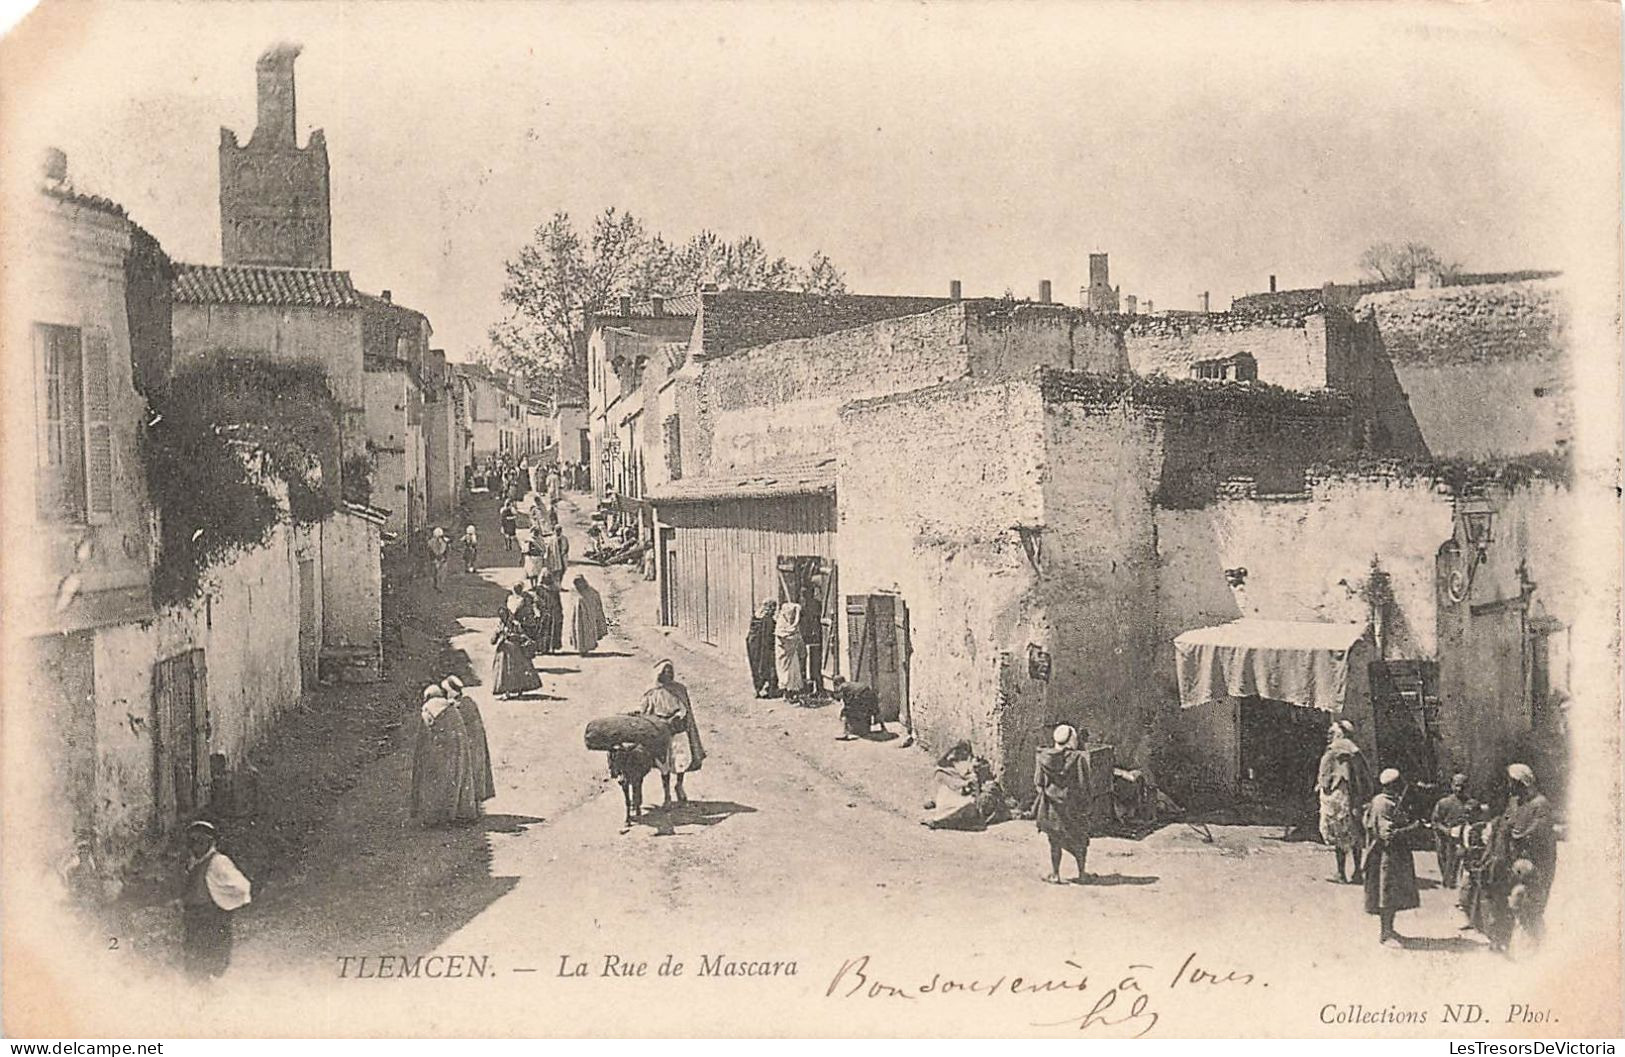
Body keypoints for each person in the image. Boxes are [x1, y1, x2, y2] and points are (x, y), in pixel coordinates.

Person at [178, 820, 252, 979]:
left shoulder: (219, 861)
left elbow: (242, 886)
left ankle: (213, 985)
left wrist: (225, 901)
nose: (195, 846)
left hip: (212, 915)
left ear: (210, 842)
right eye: (192, 841)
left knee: (214, 953)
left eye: (200, 841)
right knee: (193, 955)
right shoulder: (193, 862)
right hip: (193, 916)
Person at [1363, 767, 1424, 945]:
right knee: (1386, 892)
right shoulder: (1383, 804)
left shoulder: (1392, 801)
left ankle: (1389, 929)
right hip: (1386, 855)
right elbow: (1387, 835)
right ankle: (1385, 932)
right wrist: (1412, 828)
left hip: (1395, 854)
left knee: (1393, 892)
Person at [1501, 762, 1557, 945]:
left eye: (1512, 782)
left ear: (1521, 782)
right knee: (1514, 903)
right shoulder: (1515, 802)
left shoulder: (1540, 804)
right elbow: (1505, 823)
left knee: (1530, 904)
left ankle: (1537, 945)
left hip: (1536, 864)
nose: (1509, 786)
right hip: (1516, 861)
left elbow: (1537, 832)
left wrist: (1517, 835)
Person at [1316, 719, 1376, 884]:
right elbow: (1366, 776)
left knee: (1339, 833)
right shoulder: (1356, 751)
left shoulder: (1333, 750)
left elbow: (1324, 776)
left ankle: (1341, 873)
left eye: (1332, 732)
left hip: (1337, 798)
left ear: (1340, 733)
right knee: (1355, 833)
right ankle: (1357, 872)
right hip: (1355, 797)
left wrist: (1323, 787)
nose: (1329, 735)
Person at [640, 659, 706, 805]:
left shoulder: (679, 689)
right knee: (664, 764)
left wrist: (676, 718)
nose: (668, 674)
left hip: (677, 729)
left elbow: (684, 710)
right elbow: (645, 712)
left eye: (670, 671)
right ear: (659, 673)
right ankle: (667, 795)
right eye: (665, 671)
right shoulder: (651, 692)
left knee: (680, 761)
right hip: (661, 732)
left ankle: (679, 785)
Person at [1034, 725, 1093, 884]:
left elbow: (1038, 782)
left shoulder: (1043, 757)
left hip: (1052, 807)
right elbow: (1084, 785)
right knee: (1080, 839)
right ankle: (1081, 874)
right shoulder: (1078, 759)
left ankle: (1055, 874)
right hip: (1073, 806)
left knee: (1055, 840)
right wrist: (1085, 804)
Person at [411, 685, 475, 825]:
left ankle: (434, 816)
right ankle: (454, 813)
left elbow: (423, 737)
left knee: (433, 783)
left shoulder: (427, 711)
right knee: (453, 780)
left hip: (435, 752)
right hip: (455, 753)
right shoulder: (452, 710)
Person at [444, 676, 495, 804]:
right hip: (476, 743)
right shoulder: (469, 702)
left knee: (465, 772)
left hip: (468, 743)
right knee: (475, 771)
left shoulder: (456, 706)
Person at [491, 591, 543, 699]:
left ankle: (517, 691)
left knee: (514, 671)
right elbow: (493, 640)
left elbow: (522, 635)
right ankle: (509, 692)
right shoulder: (503, 625)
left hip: (513, 649)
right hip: (506, 650)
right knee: (507, 672)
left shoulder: (514, 625)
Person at [1430, 773, 1473, 889]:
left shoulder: (1472, 803)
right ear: (1452, 786)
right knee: (1447, 862)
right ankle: (1448, 882)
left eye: (1462, 786)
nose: (1459, 789)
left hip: (1464, 838)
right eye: (1457, 785)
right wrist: (1447, 831)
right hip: (1447, 839)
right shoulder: (1444, 803)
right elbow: (1435, 821)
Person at [565, 574, 608, 655]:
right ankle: (581, 649)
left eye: (580, 582)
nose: (578, 585)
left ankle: (587, 648)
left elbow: (596, 604)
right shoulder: (574, 591)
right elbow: (571, 604)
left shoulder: (591, 592)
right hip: (577, 617)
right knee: (578, 631)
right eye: (576, 583)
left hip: (588, 617)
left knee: (588, 631)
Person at [745, 600, 779, 699]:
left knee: (755, 667)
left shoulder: (756, 617)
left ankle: (758, 689)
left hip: (754, 646)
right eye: (773, 608)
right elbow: (768, 636)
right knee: (768, 666)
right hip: (764, 647)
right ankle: (771, 689)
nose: (774, 611)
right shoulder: (767, 620)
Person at [832, 675, 883, 739]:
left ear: (838, 683)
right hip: (870, 693)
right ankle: (881, 727)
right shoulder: (850, 684)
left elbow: (840, 698)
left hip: (862, 696)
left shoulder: (843, 686)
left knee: (846, 712)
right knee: (871, 711)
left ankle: (846, 733)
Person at [775, 600, 807, 701]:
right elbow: (784, 636)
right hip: (784, 654)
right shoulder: (781, 624)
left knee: (794, 673)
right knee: (785, 673)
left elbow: (796, 636)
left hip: (792, 654)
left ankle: (793, 693)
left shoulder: (793, 624)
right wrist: (794, 636)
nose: (790, 616)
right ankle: (786, 693)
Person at [799, 583, 825, 695]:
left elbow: (815, 620)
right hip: (806, 637)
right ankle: (808, 687)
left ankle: (817, 687)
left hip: (814, 638)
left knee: (814, 663)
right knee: (806, 662)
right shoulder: (802, 605)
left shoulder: (814, 604)